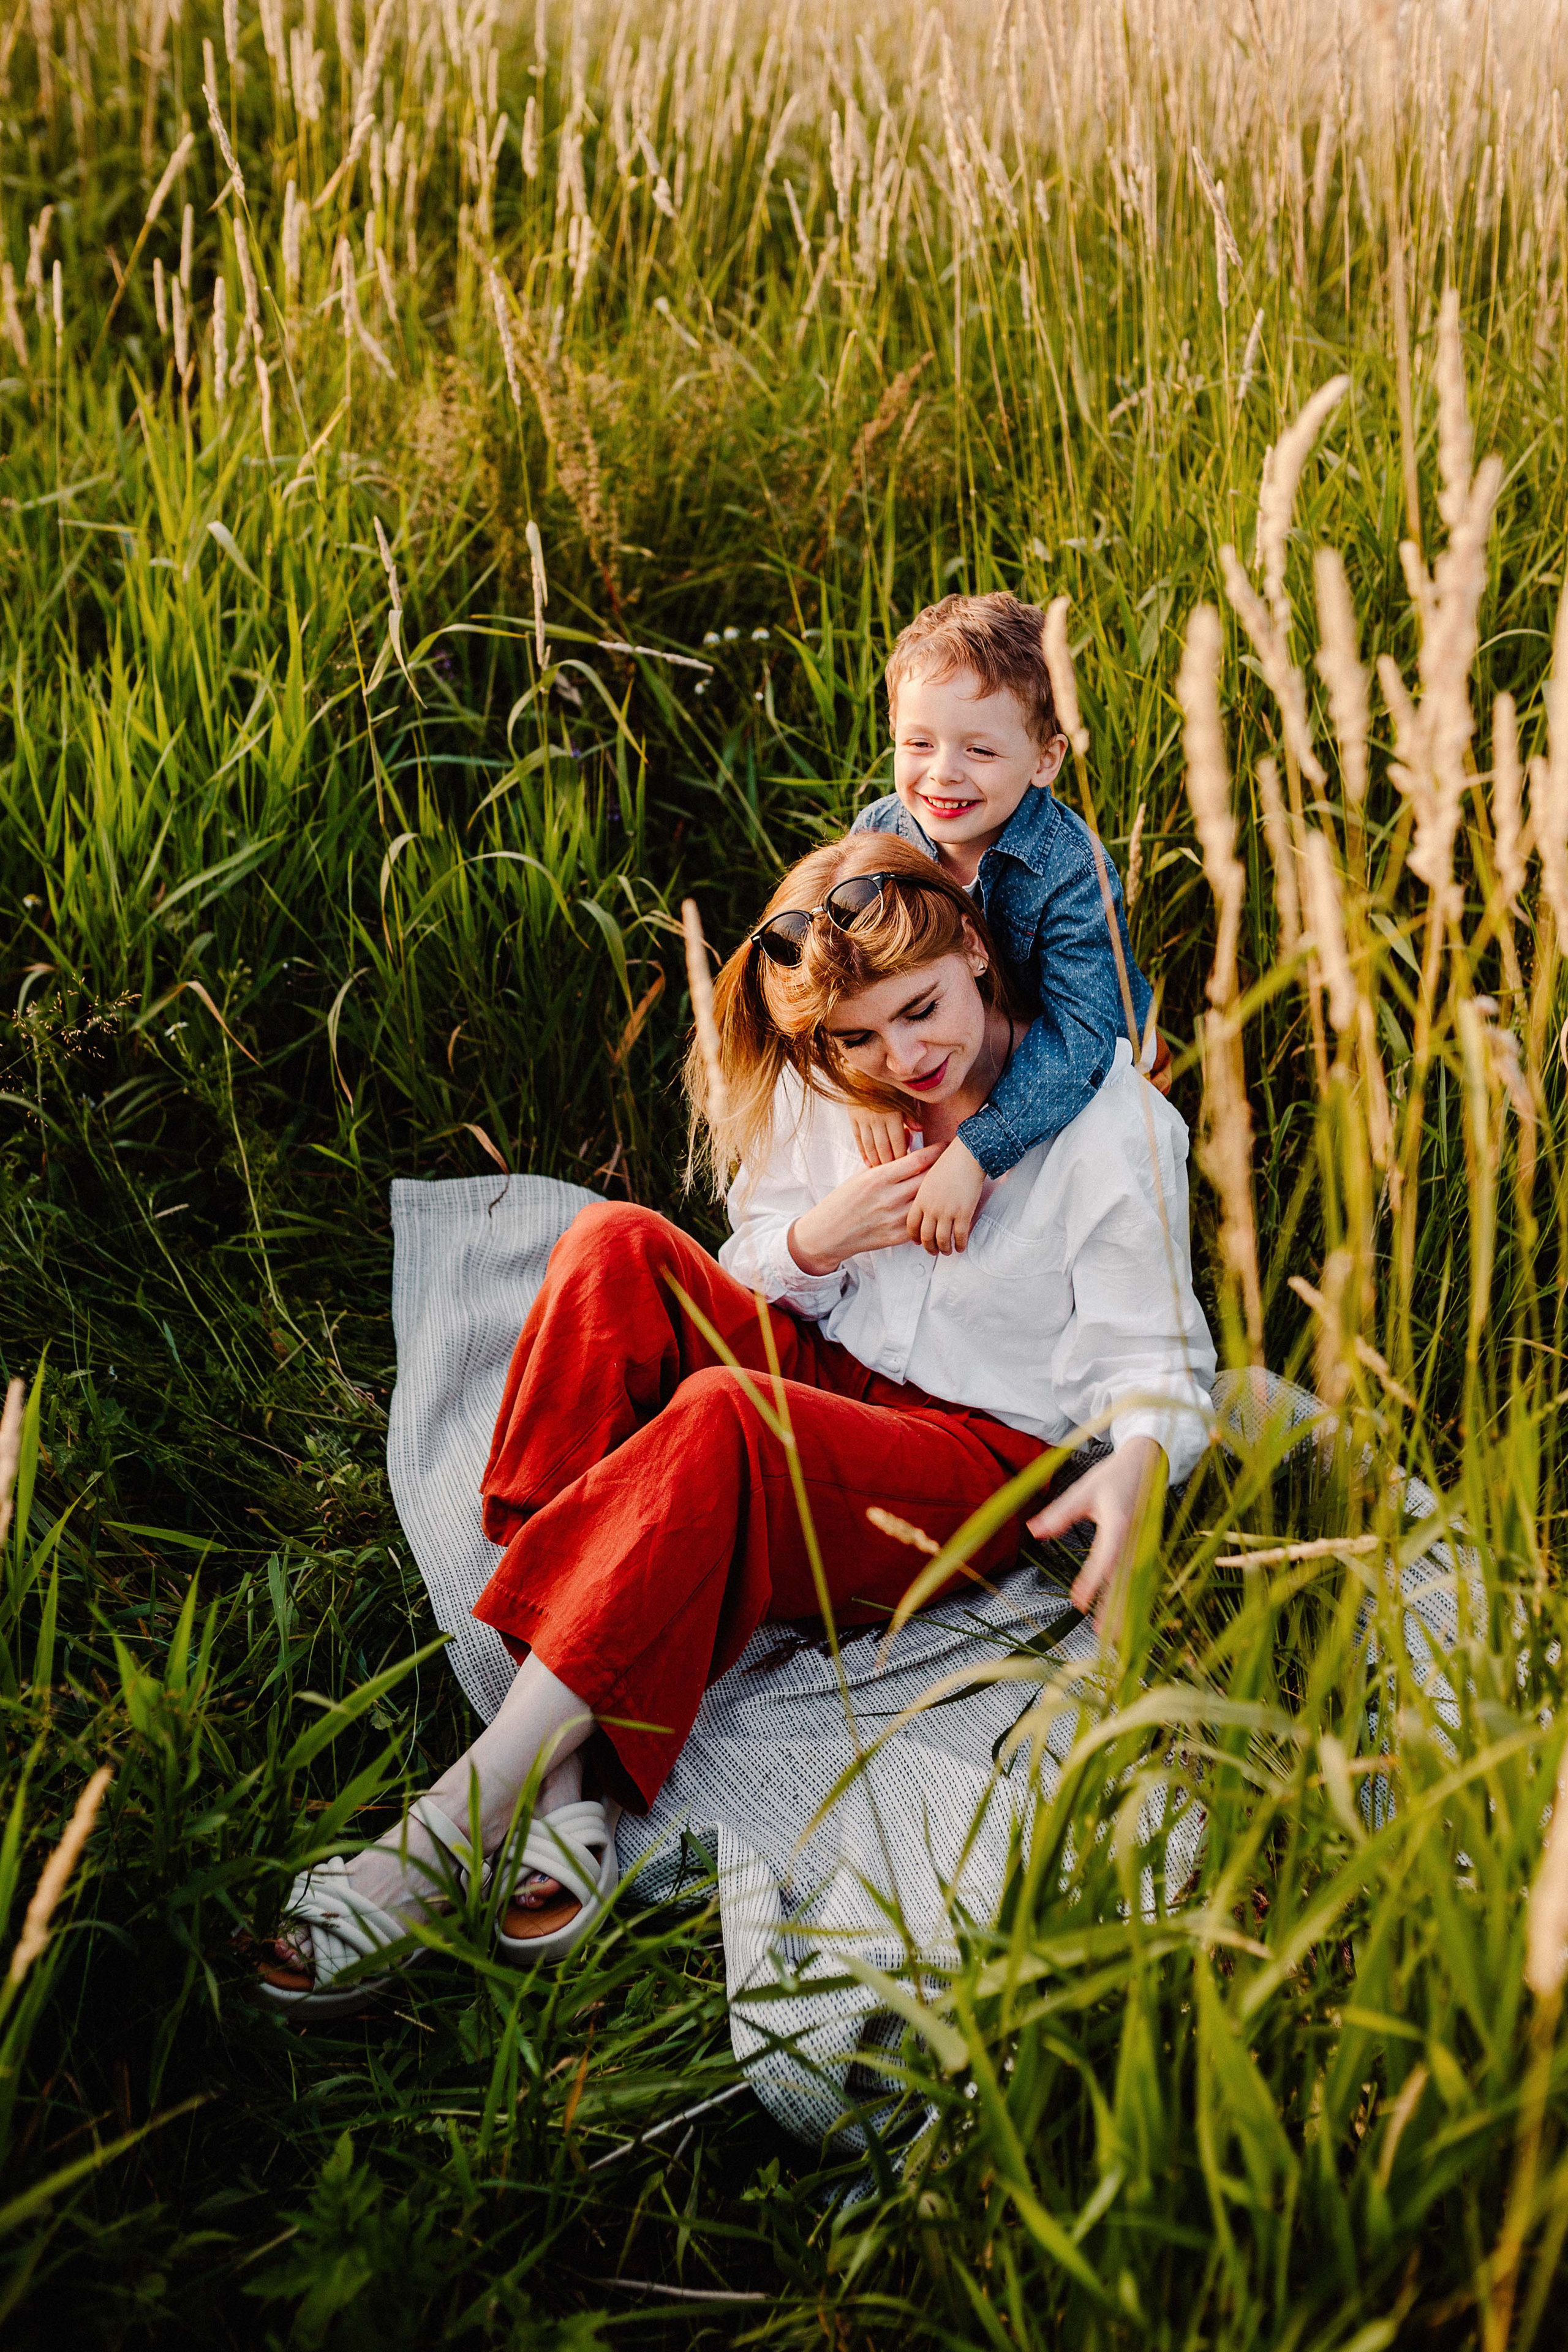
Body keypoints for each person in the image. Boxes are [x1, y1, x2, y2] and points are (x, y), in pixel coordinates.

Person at [251, 834, 1214, 2015]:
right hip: (830, 1372)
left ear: (974, 948)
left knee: (724, 1420)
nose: (903, 1059)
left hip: (976, 1462)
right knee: (612, 1246)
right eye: (858, 1038)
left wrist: (1142, 1460)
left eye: (922, 1012)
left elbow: (1158, 1361)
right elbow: (756, 1258)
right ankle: (571, 1773)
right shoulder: (845, 1082)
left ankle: (454, 1821)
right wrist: (819, 1239)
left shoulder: (1107, 1130)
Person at [851, 589, 1166, 1257]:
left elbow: (1079, 1030)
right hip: (954, 1031)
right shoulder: (881, 833)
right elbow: (846, 978)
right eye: (918, 743)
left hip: (1063, 1026)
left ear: (1045, 760)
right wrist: (864, 1090)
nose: (943, 774)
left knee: (1108, 1095)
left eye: (980, 752)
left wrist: (976, 1152)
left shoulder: (1072, 867)